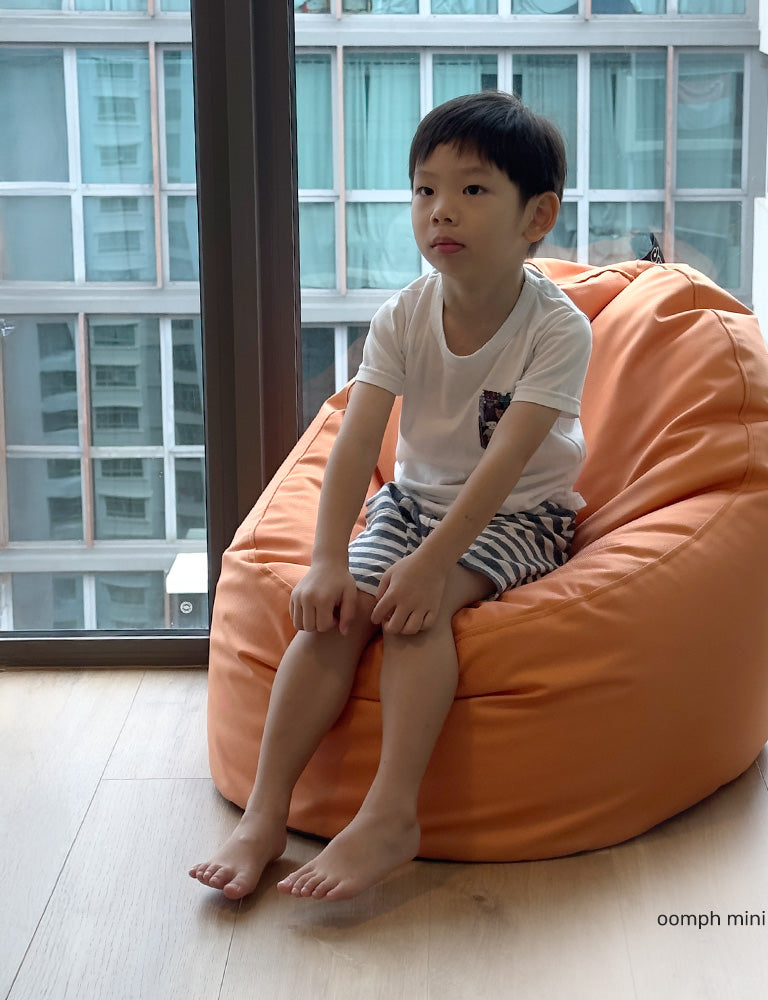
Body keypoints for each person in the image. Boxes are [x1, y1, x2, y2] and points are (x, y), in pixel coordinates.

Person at [189, 91, 592, 902]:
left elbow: (506, 468)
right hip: (410, 504)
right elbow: (351, 444)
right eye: (424, 189)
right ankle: (266, 815)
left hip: (520, 514)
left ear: (536, 215)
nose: (441, 209)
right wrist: (328, 562)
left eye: (473, 190)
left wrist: (431, 568)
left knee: (415, 612)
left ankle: (389, 814)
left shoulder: (558, 328)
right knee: (337, 616)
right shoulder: (405, 315)